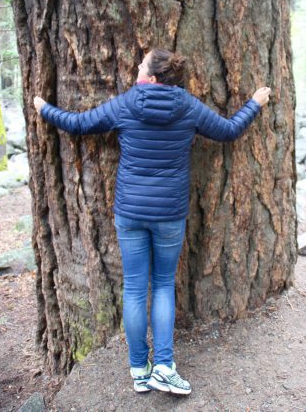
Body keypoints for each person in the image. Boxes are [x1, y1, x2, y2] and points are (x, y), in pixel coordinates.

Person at [34, 48, 271, 396]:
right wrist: (254, 103)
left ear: (153, 77)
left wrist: (44, 109)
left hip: (130, 213)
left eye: (141, 65)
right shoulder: (188, 105)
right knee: (161, 286)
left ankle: (139, 369)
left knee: (134, 288)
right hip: (169, 215)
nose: (136, 69)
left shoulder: (128, 103)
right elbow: (228, 131)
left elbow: (79, 124)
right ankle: (163, 365)